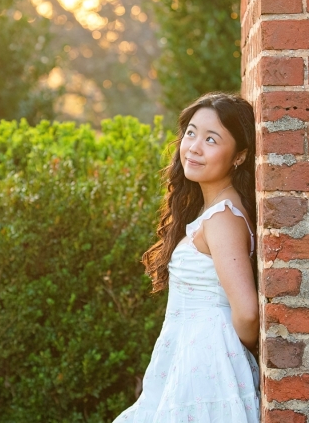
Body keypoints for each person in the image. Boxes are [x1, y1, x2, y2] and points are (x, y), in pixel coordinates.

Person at [114, 92, 260, 423]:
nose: (194, 146)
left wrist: (226, 353)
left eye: (212, 139)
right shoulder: (210, 211)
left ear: (239, 156)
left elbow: (248, 313)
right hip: (194, 360)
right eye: (191, 133)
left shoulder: (223, 218)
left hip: (207, 368)